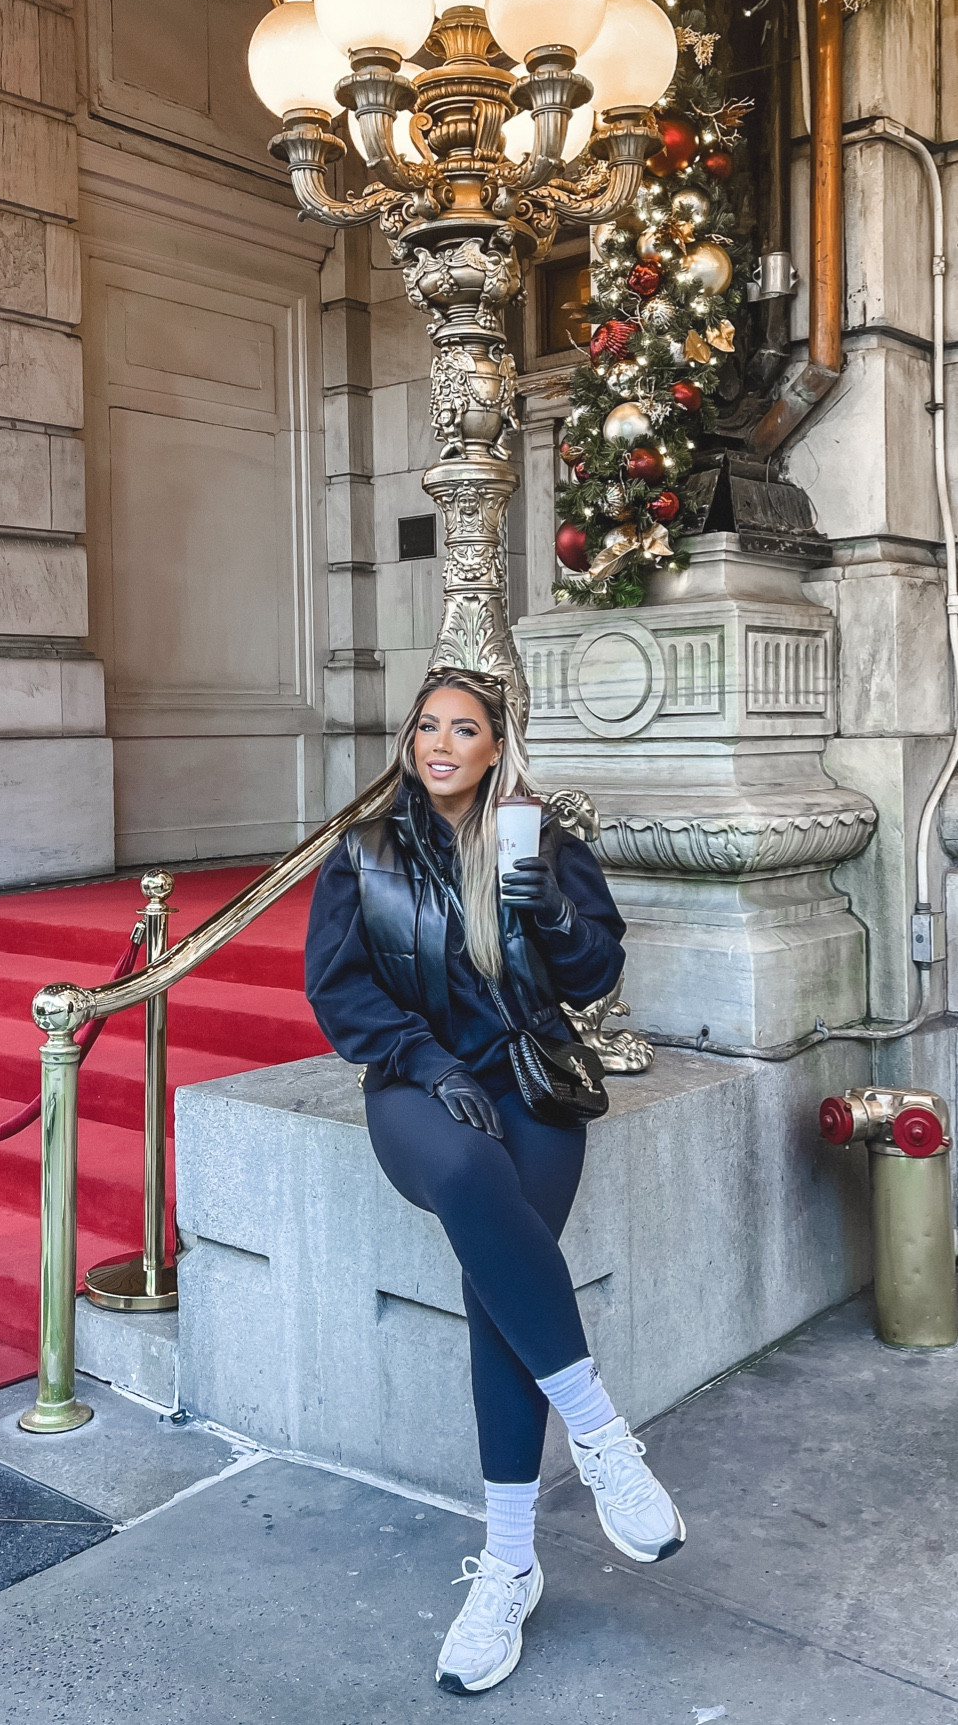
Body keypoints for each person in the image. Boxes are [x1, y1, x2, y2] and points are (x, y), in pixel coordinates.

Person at [305, 666, 684, 1696]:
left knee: (500, 1301)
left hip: (534, 1080)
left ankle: (508, 1565)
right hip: (416, 1086)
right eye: (424, 726)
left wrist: (547, 913)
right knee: (470, 1175)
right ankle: (602, 1436)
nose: (437, 743)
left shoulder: (547, 846)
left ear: (492, 747)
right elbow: (338, 992)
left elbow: (595, 978)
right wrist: (426, 1064)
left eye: (460, 729)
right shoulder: (364, 853)